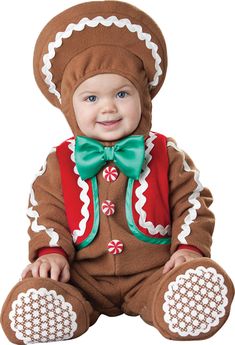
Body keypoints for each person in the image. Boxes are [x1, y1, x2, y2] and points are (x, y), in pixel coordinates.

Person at [1, 0, 234, 343]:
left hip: (153, 271)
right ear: (70, 107)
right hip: (84, 276)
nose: (108, 107)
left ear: (143, 98)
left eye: (122, 93)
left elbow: (194, 201)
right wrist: (50, 253)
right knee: (60, 289)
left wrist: (189, 248)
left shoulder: (166, 154)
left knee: (170, 288)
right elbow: (45, 211)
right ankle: (59, 308)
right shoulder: (58, 161)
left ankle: (176, 301)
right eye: (91, 99)